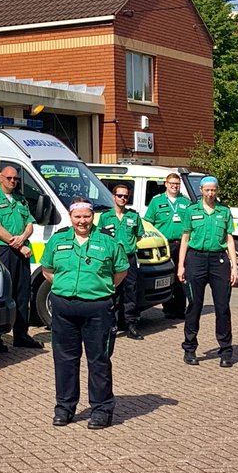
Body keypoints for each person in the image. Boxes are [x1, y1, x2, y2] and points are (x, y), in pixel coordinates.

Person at [42, 199, 128, 429]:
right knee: (65, 360)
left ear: (93, 217)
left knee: (98, 360)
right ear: (71, 217)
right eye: (78, 217)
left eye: (87, 217)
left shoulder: (108, 242)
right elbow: (47, 270)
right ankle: (64, 408)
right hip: (64, 309)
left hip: (97, 309)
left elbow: (120, 271)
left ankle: (101, 410)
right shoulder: (58, 240)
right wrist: (65, 286)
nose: (82, 221)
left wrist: (100, 288)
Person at [0, 165, 43, 352]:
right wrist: (18, 244)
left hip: (21, 251)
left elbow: (30, 224)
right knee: (2, 293)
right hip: (3, 250)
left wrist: (23, 239)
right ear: (0, 178)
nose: (12, 181)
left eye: (15, 179)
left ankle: (21, 335)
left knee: (23, 293)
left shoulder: (20, 199)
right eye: (9, 178)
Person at [177, 176, 237, 367]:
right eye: (207, 190)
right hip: (196, 259)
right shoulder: (191, 210)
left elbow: (229, 239)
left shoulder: (224, 211)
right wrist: (181, 265)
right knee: (195, 305)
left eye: (213, 190)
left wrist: (234, 266)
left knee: (222, 307)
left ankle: (226, 350)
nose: (210, 194)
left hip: (219, 260)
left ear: (217, 190)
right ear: (201, 190)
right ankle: (190, 348)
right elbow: (185, 238)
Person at [97, 182, 145, 339]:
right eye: (120, 195)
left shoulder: (133, 216)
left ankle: (131, 324)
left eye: (125, 196)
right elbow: (101, 238)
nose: (123, 198)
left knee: (130, 291)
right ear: (113, 196)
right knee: (112, 291)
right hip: (112, 260)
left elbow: (138, 235)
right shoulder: (105, 217)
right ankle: (112, 324)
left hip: (128, 258)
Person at [145, 172, 190, 319]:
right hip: (164, 245)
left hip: (182, 244)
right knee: (167, 276)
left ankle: (180, 309)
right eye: (172, 183)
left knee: (181, 276)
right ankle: (168, 308)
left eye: (177, 184)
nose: (174, 186)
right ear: (166, 184)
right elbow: (148, 223)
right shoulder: (156, 202)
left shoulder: (186, 202)